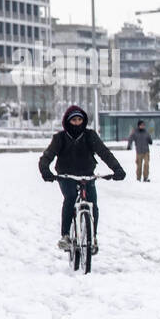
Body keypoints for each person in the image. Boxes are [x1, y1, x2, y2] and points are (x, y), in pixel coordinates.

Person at [38, 104, 126, 252]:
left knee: (92, 202)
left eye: (79, 119)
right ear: (68, 121)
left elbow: (104, 153)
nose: (77, 123)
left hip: (87, 175)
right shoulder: (60, 138)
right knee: (70, 197)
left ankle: (93, 237)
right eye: (74, 120)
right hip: (67, 176)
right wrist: (45, 171)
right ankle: (65, 235)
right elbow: (47, 157)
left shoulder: (90, 136)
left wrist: (117, 169)